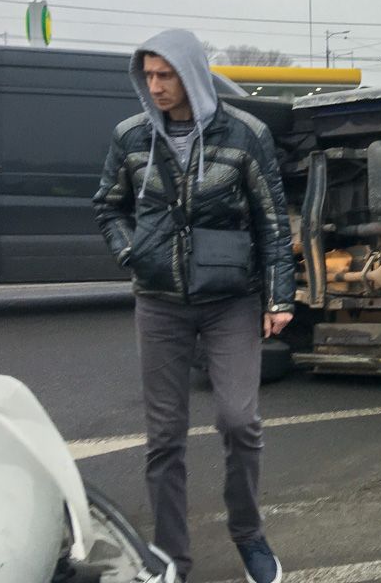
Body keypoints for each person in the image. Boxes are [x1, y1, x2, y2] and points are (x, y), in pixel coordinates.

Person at [93, 29, 294, 583]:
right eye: (148, 76)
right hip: (159, 302)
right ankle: (171, 557)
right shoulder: (130, 137)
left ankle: (249, 535)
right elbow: (108, 208)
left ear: (191, 73)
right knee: (164, 437)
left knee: (239, 420)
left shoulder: (245, 134)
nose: (155, 87)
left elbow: (272, 220)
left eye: (166, 75)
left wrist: (280, 295)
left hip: (231, 299)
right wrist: (132, 253)